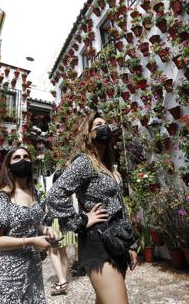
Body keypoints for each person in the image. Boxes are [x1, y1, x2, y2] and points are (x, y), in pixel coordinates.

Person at [47, 111, 138, 304]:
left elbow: (119, 206)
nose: (103, 127)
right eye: (97, 125)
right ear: (87, 135)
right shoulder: (84, 162)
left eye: (105, 124)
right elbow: (55, 194)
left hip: (117, 241)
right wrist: (81, 221)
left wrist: (131, 244)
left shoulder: (108, 166)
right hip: (97, 242)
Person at [0, 146, 57, 304]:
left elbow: (34, 223)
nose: (22, 160)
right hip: (7, 274)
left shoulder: (35, 193)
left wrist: (45, 229)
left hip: (33, 270)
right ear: (9, 166)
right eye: (16, 158)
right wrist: (29, 241)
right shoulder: (2, 198)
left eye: (26, 157)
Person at [47, 170, 79, 296]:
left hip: (56, 223)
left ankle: (62, 280)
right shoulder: (68, 193)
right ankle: (63, 279)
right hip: (68, 224)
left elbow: (48, 209)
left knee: (53, 252)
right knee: (63, 252)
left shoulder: (53, 192)